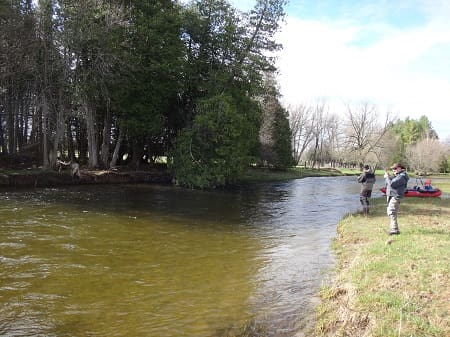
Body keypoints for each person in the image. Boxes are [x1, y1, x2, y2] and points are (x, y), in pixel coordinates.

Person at [384, 163, 409, 235]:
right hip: (393, 195)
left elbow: (392, 184)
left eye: (395, 168)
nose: (394, 170)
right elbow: (393, 180)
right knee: (391, 211)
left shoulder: (402, 176)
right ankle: (394, 229)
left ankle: (394, 230)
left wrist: (387, 178)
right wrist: (389, 177)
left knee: (391, 212)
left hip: (396, 196)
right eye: (392, 169)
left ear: (400, 168)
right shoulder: (399, 175)